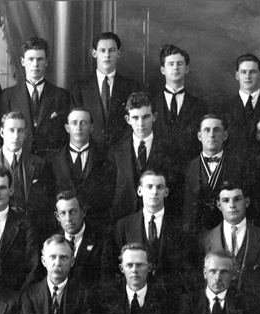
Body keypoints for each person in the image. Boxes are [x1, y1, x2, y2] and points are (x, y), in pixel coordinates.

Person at [199, 180, 260, 314]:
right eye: (226, 201)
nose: (232, 205)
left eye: (237, 199)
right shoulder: (205, 240)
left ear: (246, 202)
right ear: (219, 205)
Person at [114, 169, 196, 293]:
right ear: (139, 191)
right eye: (149, 187)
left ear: (166, 192)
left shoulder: (181, 226)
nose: (154, 192)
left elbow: (188, 268)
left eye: (159, 187)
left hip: (170, 296)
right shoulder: (124, 226)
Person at [0, 37, 71, 159]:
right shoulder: (8, 96)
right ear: (23, 61)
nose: (35, 64)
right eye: (30, 59)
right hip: (20, 160)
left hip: (51, 163)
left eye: (40, 59)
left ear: (46, 61)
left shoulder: (61, 96)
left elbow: (65, 136)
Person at [0, 111, 51, 222]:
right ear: (2, 132)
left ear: (25, 133)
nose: (16, 136)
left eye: (20, 131)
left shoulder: (39, 164)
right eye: (11, 130)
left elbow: (43, 204)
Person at [71, 32, 142, 150]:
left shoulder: (131, 87)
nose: (107, 55)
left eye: (112, 50)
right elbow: (76, 122)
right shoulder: (80, 88)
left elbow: (135, 123)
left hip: (121, 153)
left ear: (119, 53)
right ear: (94, 53)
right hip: (90, 154)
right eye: (102, 50)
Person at [111, 92, 173, 221]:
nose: (140, 123)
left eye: (145, 117)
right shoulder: (115, 152)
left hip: (160, 220)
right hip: (125, 221)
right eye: (135, 118)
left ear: (154, 117)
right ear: (128, 120)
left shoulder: (169, 150)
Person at [48, 107, 116, 226]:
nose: (78, 128)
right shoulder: (54, 161)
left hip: (96, 225)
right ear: (67, 128)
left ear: (91, 127)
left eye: (83, 123)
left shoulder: (105, 158)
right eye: (74, 123)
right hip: (64, 226)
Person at [182, 115, 245, 233]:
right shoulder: (190, 166)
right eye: (207, 130)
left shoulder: (237, 166)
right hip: (197, 234)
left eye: (216, 130)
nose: (211, 135)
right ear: (199, 136)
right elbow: (187, 212)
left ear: (225, 135)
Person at [219, 53, 260, 155]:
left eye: (253, 72)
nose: (247, 76)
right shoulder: (225, 108)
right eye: (243, 72)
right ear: (237, 75)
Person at [152, 44, 206, 167]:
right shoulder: (152, 103)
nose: (175, 68)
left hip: (188, 170)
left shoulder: (199, 106)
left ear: (186, 69)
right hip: (157, 170)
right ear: (162, 70)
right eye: (171, 64)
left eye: (180, 64)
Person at [52, 190, 110, 282]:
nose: (68, 219)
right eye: (62, 213)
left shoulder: (102, 241)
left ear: (83, 211)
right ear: (57, 217)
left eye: (73, 212)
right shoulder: (51, 243)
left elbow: (105, 281)